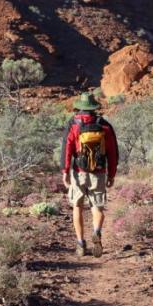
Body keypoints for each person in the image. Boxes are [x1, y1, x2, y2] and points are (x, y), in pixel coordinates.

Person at [61, 92, 118, 257]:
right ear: (94, 108)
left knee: (77, 207)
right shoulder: (105, 126)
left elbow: (67, 150)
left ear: (80, 107)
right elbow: (113, 153)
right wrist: (111, 175)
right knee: (97, 207)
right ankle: (97, 231)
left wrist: (65, 171)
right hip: (98, 173)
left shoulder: (73, 125)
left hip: (79, 173)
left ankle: (80, 244)